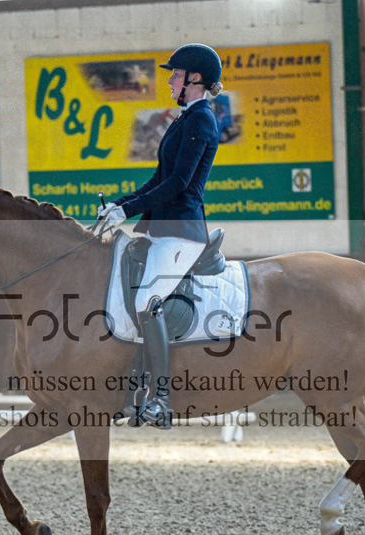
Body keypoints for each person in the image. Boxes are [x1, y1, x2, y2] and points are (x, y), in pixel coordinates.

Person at [98, 43, 223, 429]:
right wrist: (118, 205)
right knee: (127, 294)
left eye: (176, 75)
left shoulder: (201, 120)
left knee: (147, 301)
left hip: (182, 231)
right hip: (161, 229)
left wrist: (128, 211)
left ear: (195, 79)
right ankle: (133, 393)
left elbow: (179, 183)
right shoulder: (184, 119)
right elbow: (158, 179)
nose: (169, 81)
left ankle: (161, 399)